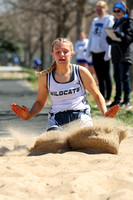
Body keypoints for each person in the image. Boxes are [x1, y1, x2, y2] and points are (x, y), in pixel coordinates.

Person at [11, 38, 119, 132]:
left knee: (84, 140)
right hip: (57, 118)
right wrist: (29, 115)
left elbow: (96, 95)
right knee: (55, 141)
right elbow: (40, 102)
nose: (61, 54)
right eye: (58, 52)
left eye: (65, 51)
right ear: (52, 54)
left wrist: (105, 113)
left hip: (81, 116)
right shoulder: (45, 77)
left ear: (72, 53)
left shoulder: (81, 72)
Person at [86, 1, 114, 106]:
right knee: (99, 77)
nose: (98, 11)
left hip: (104, 52)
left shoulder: (109, 19)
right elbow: (91, 36)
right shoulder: (95, 20)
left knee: (106, 76)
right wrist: (88, 50)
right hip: (95, 52)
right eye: (97, 9)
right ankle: (101, 99)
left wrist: (108, 52)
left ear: (105, 9)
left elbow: (110, 36)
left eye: (100, 9)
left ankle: (108, 98)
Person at [106, 1, 133, 109]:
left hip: (125, 54)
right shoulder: (116, 23)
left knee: (124, 77)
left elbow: (129, 38)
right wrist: (109, 37)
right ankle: (117, 101)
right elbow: (112, 40)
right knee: (116, 78)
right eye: (115, 11)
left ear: (123, 11)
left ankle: (126, 101)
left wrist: (120, 35)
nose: (116, 13)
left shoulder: (128, 22)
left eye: (119, 11)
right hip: (116, 54)